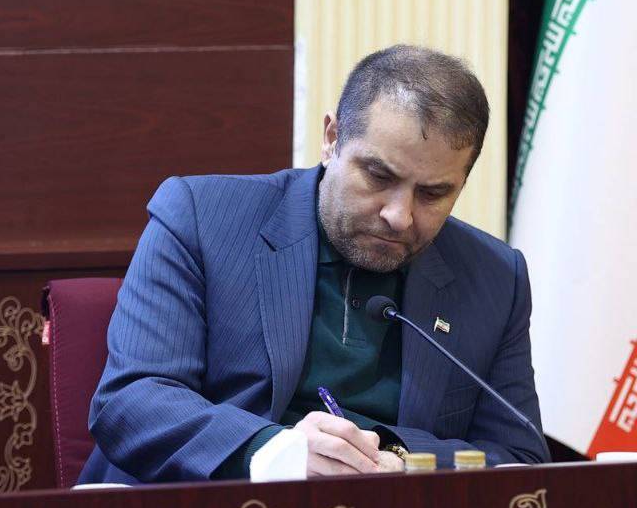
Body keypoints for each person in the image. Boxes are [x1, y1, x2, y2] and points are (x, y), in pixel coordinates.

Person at [80, 44, 548, 485]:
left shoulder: (495, 277)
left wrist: (400, 459)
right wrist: (275, 452)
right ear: (331, 139)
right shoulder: (202, 216)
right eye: (378, 175)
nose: (399, 216)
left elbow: (520, 457)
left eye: (432, 193)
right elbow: (131, 402)